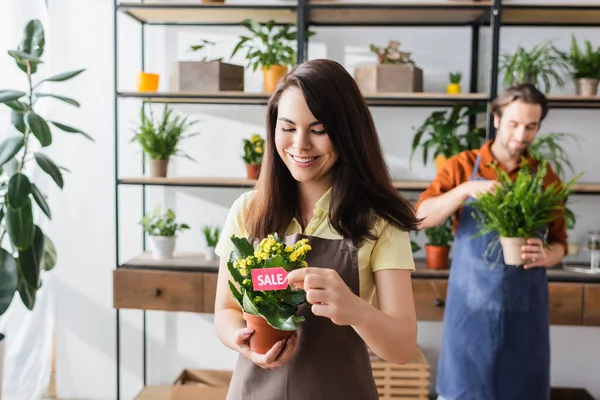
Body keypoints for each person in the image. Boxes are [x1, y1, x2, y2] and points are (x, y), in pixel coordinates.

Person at [213, 59, 420, 399]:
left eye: (319, 129)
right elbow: (226, 310)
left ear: (347, 131)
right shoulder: (247, 212)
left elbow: (401, 348)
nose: (300, 144)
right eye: (288, 127)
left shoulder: (381, 222)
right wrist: (244, 341)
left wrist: (356, 310)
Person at [415, 83, 568, 400]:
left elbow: (559, 244)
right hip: (470, 314)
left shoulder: (544, 176)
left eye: (531, 126)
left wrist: (546, 255)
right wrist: (465, 191)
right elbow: (421, 217)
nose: (521, 134)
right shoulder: (461, 166)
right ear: (497, 119)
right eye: (514, 123)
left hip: (525, 315)